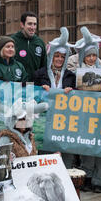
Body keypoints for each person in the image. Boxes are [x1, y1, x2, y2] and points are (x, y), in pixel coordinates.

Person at [71, 27, 101, 193]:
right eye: (89, 55)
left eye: (94, 55)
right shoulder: (75, 70)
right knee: (87, 146)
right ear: (83, 56)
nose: (92, 58)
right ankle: (86, 177)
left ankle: (99, 181)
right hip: (84, 113)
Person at [33, 27, 76, 168]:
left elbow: (78, 97)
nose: (59, 59)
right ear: (51, 56)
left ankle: (67, 175)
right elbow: (32, 95)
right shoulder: (40, 74)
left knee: (65, 149)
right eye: (56, 56)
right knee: (45, 150)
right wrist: (41, 91)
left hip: (64, 119)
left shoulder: (70, 75)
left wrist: (72, 92)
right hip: (44, 119)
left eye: (62, 57)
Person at [11, 12, 47, 81]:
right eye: (30, 24)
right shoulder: (12, 41)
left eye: (35, 24)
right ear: (22, 25)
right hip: (16, 84)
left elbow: (44, 67)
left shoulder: (40, 42)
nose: (32, 27)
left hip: (34, 86)